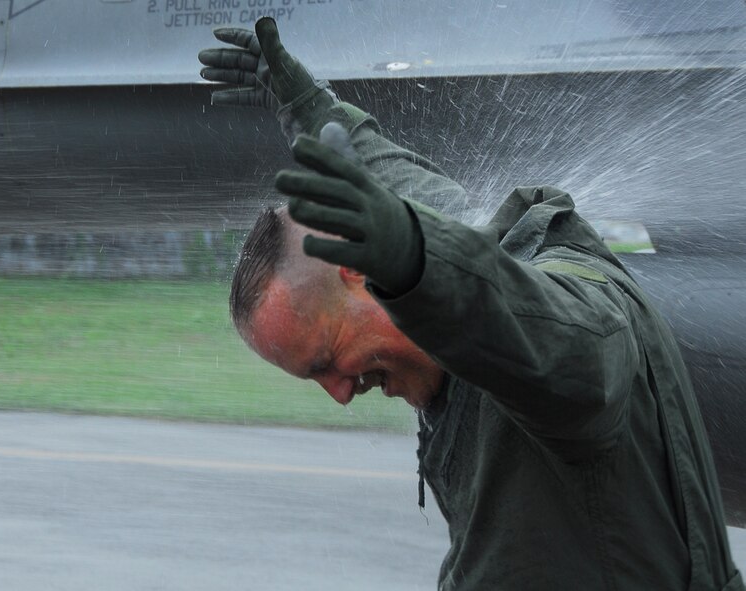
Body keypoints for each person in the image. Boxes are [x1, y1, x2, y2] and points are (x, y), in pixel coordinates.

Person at [199, 18, 744, 590]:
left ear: (362, 270)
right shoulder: (465, 254)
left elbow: (575, 356)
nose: (339, 394)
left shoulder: (551, 321)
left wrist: (414, 257)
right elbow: (392, 175)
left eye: (325, 360)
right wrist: (310, 106)